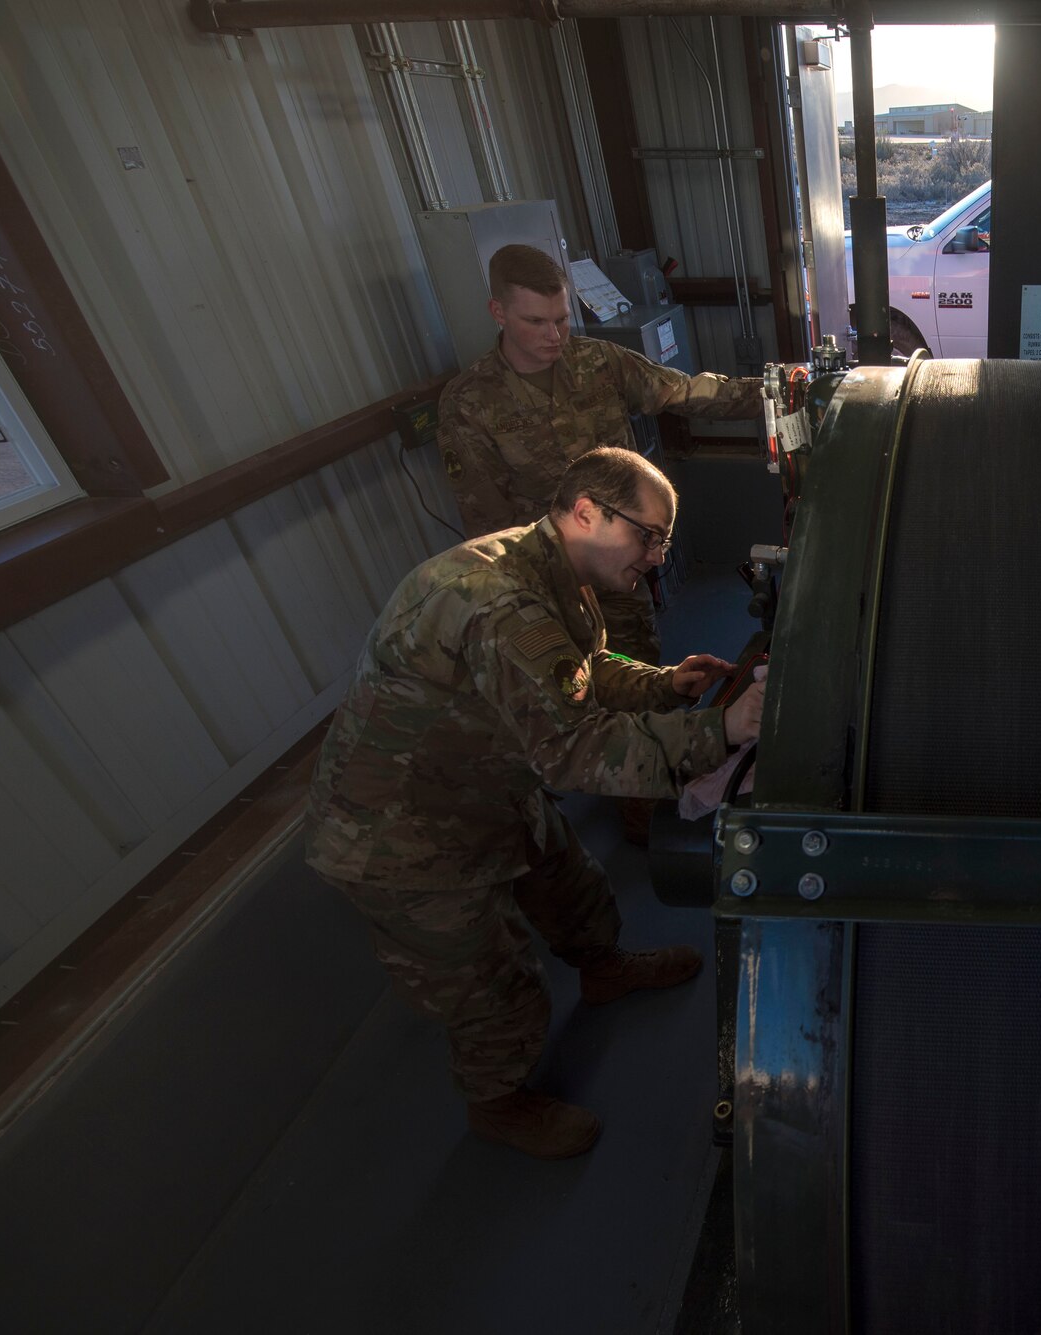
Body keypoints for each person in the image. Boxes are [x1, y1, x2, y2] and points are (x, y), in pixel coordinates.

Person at [306, 446, 766, 1159]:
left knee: (572, 885)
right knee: (490, 986)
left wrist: (664, 683)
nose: (655, 556)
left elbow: (575, 676)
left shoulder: (550, 566)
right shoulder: (496, 601)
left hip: (489, 780)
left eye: (663, 540)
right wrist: (722, 729)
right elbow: (575, 751)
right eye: (649, 535)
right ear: (587, 510)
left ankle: (604, 968)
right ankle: (499, 1102)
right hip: (400, 830)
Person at [439, 242, 763, 666]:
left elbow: (683, 391)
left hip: (620, 567)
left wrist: (776, 392)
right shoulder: (469, 402)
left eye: (561, 319)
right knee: (571, 687)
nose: (554, 336)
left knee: (640, 668)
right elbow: (488, 522)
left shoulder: (598, 362)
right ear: (498, 312)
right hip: (548, 585)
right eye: (535, 321)